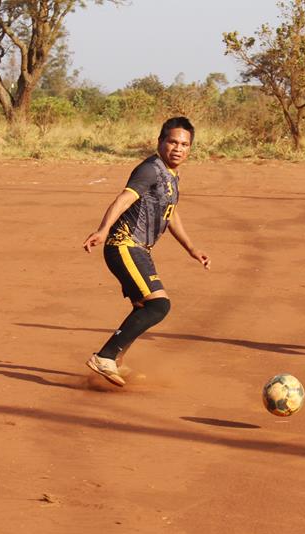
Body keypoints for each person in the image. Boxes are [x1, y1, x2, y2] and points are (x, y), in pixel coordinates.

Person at [82, 117, 210, 386]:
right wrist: (103, 230)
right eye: (172, 141)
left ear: (190, 149)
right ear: (160, 142)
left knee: (142, 306)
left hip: (140, 249)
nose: (178, 148)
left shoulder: (172, 176)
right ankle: (104, 356)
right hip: (123, 244)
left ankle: (115, 360)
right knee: (158, 305)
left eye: (184, 144)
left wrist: (192, 248)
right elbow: (124, 198)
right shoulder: (150, 170)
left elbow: (170, 214)